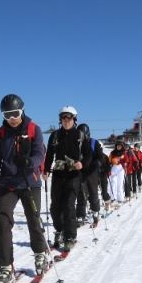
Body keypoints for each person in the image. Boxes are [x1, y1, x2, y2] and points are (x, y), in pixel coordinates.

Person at [0, 94, 48, 283]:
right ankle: (5, 265)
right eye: (7, 115)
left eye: (15, 113)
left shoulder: (33, 129)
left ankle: (40, 253)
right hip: (8, 183)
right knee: (2, 221)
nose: (12, 118)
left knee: (33, 219)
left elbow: (40, 153)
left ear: (22, 110)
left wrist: (30, 162)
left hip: (30, 181)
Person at [43, 106, 90, 252]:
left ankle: (70, 236)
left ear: (74, 119)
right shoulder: (55, 135)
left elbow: (88, 155)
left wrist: (82, 164)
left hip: (74, 176)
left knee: (69, 205)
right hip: (58, 175)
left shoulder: (80, 135)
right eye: (63, 118)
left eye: (68, 118)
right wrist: (46, 170)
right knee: (55, 207)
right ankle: (60, 230)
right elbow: (49, 154)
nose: (65, 120)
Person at [75, 123, 103, 227]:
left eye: (82, 134)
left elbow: (100, 157)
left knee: (93, 193)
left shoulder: (94, 143)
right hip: (80, 172)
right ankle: (80, 215)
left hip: (92, 172)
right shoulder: (76, 144)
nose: (80, 136)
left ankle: (95, 212)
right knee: (81, 195)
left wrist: (97, 163)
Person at [107, 141, 126, 206]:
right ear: (116, 146)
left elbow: (127, 160)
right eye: (117, 146)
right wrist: (109, 167)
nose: (118, 147)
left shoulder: (124, 153)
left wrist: (125, 163)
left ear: (122, 146)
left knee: (120, 184)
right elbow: (109, 161)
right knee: (113, 183)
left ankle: (120, 198)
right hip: (114, 168)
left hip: (121, 169)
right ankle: (113, 198)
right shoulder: (112, 153)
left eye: (120, 146)